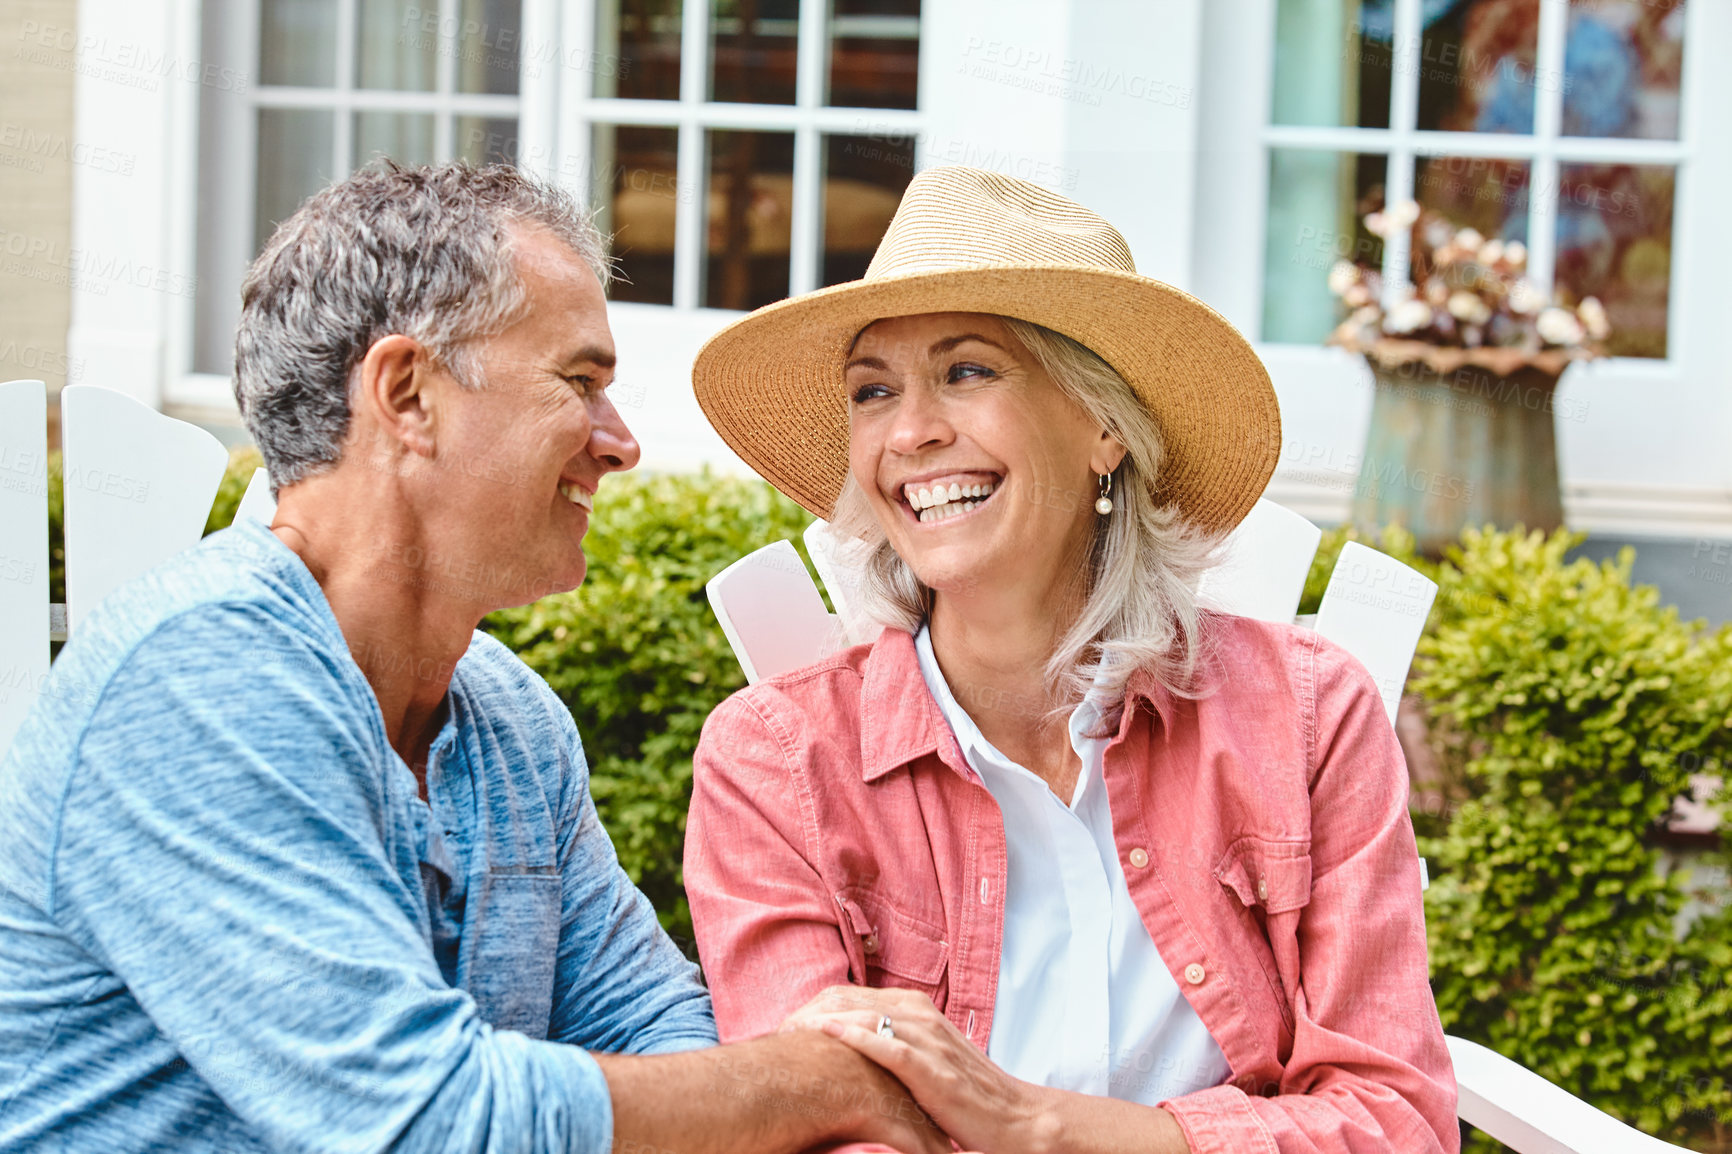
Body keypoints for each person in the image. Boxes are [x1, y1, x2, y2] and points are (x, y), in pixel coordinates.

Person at [0, 162, 948, 1154]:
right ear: (406, 392)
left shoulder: (510, 721)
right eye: (579, 383)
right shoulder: (195, 684)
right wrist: (805, 1081)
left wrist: (792, 1093)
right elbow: (421, 1120)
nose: (619, 444)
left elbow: (654, 1027)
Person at [683, 165, 1460, 1153]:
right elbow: (806, 1124)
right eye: (872, 391)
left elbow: (1393, 1119)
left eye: (967, 371)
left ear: (1101, 426)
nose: (911, 430)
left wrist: (1035, 1126)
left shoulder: (1307, 717)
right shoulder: (778, 760)